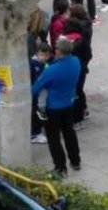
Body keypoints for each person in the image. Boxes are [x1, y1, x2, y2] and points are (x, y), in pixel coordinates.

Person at [32, 37, 82, 175]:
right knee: (69, 133)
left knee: (54, 138)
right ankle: (75, 161)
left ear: (59, 51)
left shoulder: (52, 70)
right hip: (68, 103)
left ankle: (60, 168)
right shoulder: (76, 61)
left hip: (53, 107)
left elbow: (35, 89)